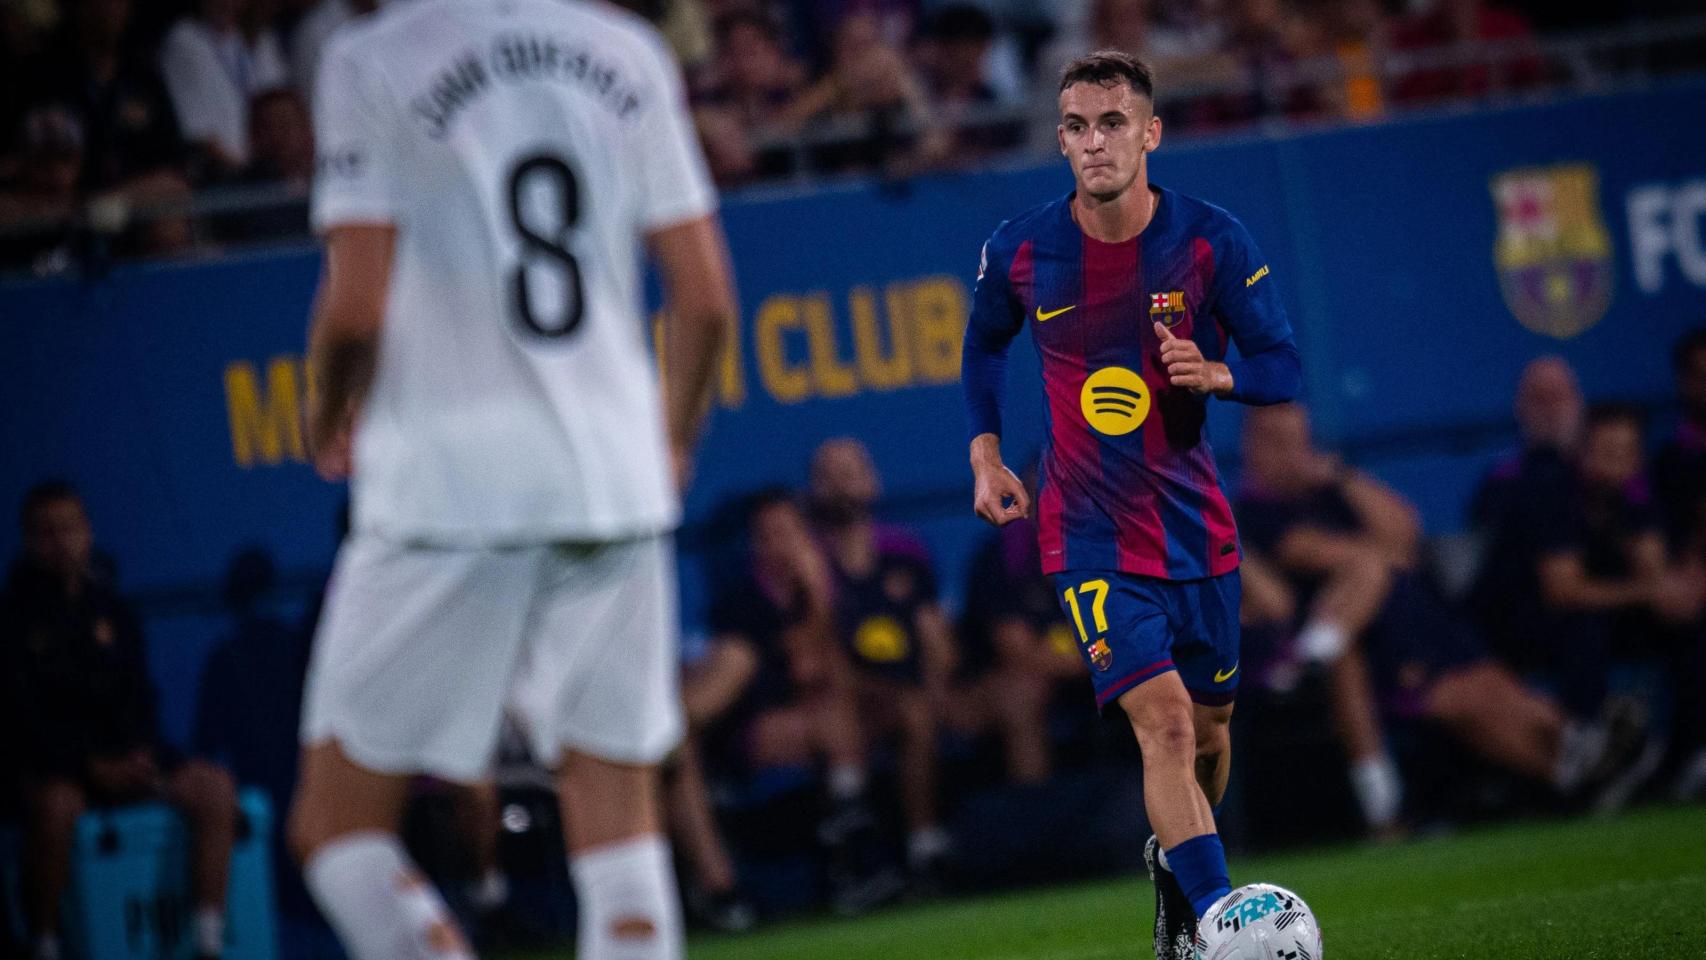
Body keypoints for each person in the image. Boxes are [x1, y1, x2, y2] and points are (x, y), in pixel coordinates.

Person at [284, 0, 737, 958]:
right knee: (615, 810)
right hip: (613, 483)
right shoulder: (625, 48)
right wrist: (670, 438)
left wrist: (325, 419)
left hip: (447, 489)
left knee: (337, 828)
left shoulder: (369, 59)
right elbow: (703, 299)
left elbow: (355, 310)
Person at [959, 51, 1301, 960]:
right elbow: (983, 348)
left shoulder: (1211, 241)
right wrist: (987, 452)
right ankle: (1220, 925)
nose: (1093, 142)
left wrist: (1218, 372)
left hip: (1197, 532)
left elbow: (1284, 365)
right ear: (1060, 139)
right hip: (1087, 537)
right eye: (1075, 125)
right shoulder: (1024, 249)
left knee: (1212, 734)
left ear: (1151, 133)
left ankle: (1174, 863)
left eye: (1112, 123)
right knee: (1168, 722)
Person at [2, 482, 238, 960]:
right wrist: (91, 766)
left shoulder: (113, 607)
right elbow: (22, 720)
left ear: (87, 532)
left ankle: (208, 943)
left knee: (215, 789)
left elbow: (141, 695)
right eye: (47, 532)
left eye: (70, 527)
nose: (61, 541)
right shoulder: (12, 619)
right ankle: (44, 945)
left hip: (128, 760)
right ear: (28, 540)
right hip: (60, 770)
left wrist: (141, 755)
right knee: (54, 807)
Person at [809, 438, 956, 883]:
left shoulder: (904, 551)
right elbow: (817, 653)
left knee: (919, 712)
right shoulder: (810, 560)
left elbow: (936, 640)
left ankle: (926, 851)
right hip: (842, 697)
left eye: (852, 471)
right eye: (831, 475)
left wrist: (938, 692)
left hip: (906, 691)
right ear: (815, 488)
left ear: (872, 480)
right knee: (854, 711)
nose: (844, 485)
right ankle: (860, 843)